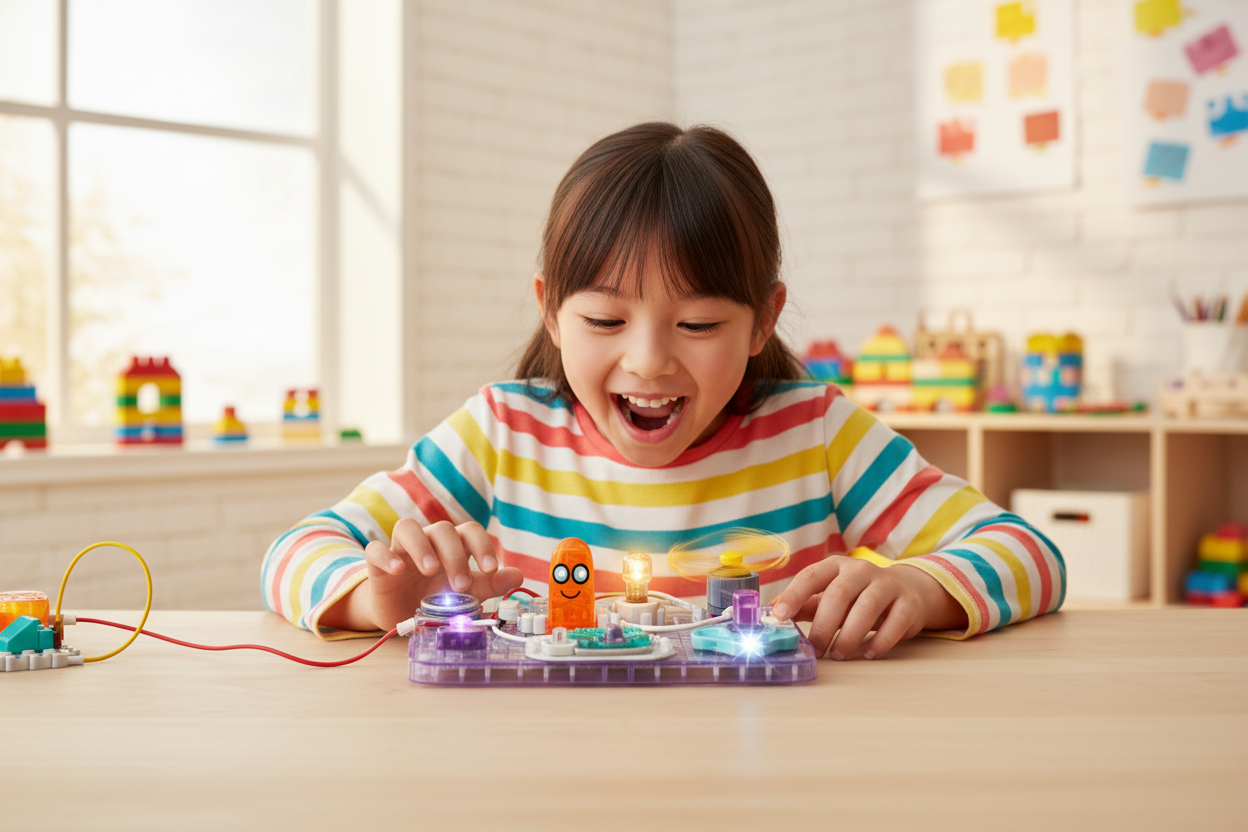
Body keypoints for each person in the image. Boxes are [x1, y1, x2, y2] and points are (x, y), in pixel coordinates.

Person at [262, 122, 1064, 660]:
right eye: (606, 320)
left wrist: (920, 587)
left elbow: (1032, 553)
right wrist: (376, 598)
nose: (648, 364)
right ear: (551, 310)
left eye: (699, 325)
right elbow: (291, 554)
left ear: (762, 321)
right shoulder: (501, 432)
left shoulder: (818, 433)